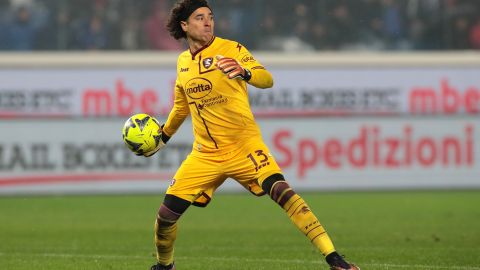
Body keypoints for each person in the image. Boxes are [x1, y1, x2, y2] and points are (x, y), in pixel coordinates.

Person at [147, 1, 360, 269]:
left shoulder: (231, 49)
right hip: (206, 155)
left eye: (210, 17)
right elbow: (181, 106)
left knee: (283, 192)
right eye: (200, 18)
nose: (208, 22)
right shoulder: (182, 63)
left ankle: (335, 259)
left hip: (244, 146)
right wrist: (163, 137)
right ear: (185, 25)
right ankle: (164, 265)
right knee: (166, 217)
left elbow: (266, 78)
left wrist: (244, 72)